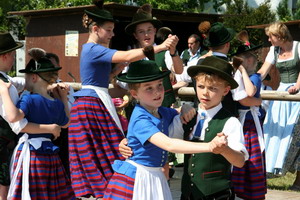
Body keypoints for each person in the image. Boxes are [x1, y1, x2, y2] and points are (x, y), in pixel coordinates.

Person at [68, 0, 177, 198]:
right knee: (105, 153)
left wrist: (114, 73)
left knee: (109, 150)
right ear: (95, 29)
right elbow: (126, 54)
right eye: (109, 30)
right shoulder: (93, 48)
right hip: (91, 105)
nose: (112, 34)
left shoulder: (92, 50)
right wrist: (159, 47)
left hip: (95, 101)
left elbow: (101, 79)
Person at [118, 56, 248, 200]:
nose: (205, 93)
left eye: (212, 88)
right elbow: (168, 142)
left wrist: (225, 149)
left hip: (217, 195)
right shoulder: (185, 119)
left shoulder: (230, 122)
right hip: (184, 193)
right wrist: (129, 141)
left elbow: (240, 161)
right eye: (201, 86)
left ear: (225, 90)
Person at [0, 57, 75, 200]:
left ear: (34, 77)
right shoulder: (57, 104)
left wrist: (4, 91)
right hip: (50, 154)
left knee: (30, 193)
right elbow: (66, 123)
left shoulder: (29, 99)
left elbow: (13, 117)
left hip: (31, 154)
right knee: (48, 192)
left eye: (26, 76)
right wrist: (64, 98)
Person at [257, 21, 300, 189]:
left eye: (271, 37)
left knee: (293, 133)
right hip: (281, 94)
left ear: (280, 36)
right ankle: (268, 172)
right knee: (273, 131)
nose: (269, 40)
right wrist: (252, 81)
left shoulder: (297, 47)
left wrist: (297, 85)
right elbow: (263, 71)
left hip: (297, 94)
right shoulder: (274, 51)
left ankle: (298, 179)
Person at [124, 3, 183, 108]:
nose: (146, 34)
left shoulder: (164, 52)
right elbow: (123, 84)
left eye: (149, 30)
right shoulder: (130, 55)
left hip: (164, 108)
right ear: (135, 35)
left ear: (155, 31)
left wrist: (173, 51)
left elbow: (179, 71)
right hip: (139, 109)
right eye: (141, 31)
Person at [230, 41, 267, 199]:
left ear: (250, 60)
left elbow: (247, 97)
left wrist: (243, 72)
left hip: (250, 124)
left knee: (251, 159)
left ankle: (252, 192)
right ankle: (240, 189)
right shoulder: (238, 76)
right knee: (239, 155)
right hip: (241, 123)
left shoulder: (255, 77)